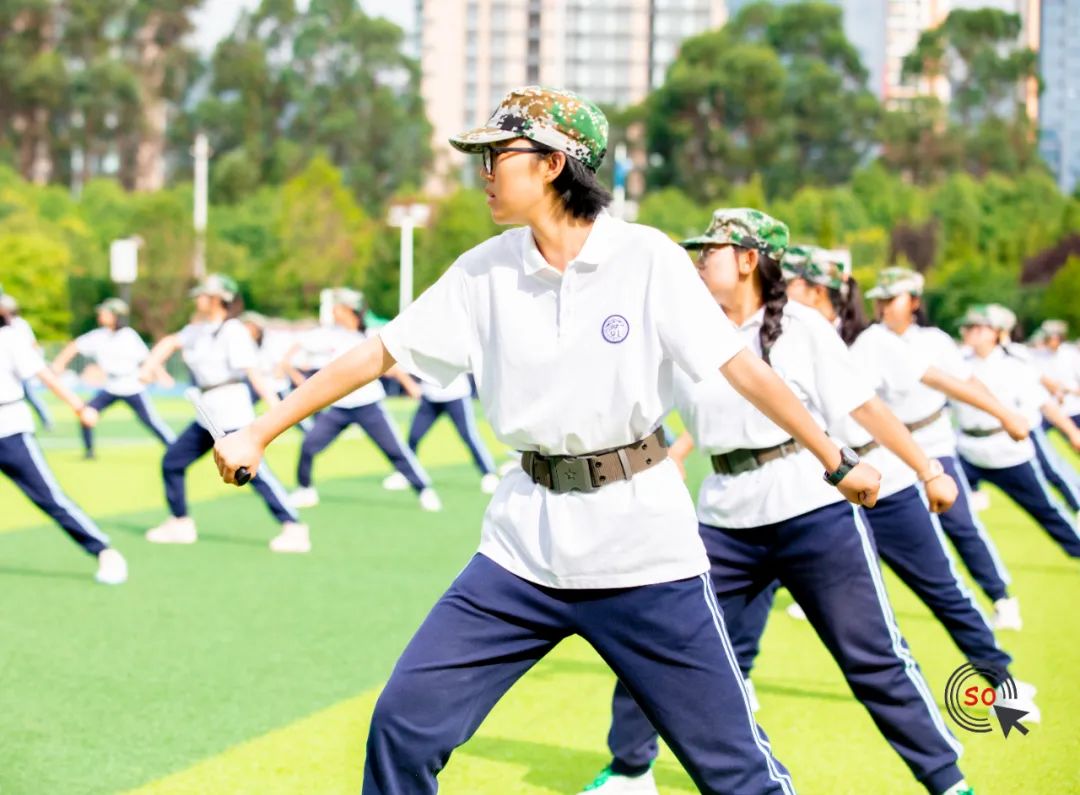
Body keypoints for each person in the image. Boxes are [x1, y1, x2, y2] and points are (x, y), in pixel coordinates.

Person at [213, 87, 884, 795]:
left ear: (555, 164)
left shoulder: (647, 258)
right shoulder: (484, 272)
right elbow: (378, 352)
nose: (485, 173)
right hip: (521, 550)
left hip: (642, 552)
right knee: (404, 723)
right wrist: (260, 428)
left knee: (734, 770)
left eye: (498, 155)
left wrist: (835, 457)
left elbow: (741, 367)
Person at [586, 216, 971, 795]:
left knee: (872, 658)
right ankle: (631, 769)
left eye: (708, 250)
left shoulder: (802, 327)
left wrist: (927, 468)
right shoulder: (686, 326)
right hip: (723, 521)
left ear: (746, 258)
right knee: (665, 639)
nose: (697, 261)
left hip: (811, 512)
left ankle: (947, 780)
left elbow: (862, 408)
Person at [867, 270, 1025, 627]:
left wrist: (1005, 414)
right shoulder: (870, 341)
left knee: (960, 524)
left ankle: (1000, 595)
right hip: (887, 452)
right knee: (860, 525)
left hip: (934, 444)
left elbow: (965, 383)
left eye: (893, 299)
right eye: (880, 300)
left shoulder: (935, 341)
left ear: (915, 302)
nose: (884, 307)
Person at [139, 274, 310, 553]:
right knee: (172, 462)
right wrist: (149, 365)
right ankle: (180, 523)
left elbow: (253, 373)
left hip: (231, 412)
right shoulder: (198, 329)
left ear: (220, 299)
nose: (198, 299)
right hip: (206, 414)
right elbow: (170, 342)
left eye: (204, 295)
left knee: (251, 472)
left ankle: (294, 526)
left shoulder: (233, 331)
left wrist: (277, 409)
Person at [0, 285, 126, 584]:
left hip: (10, 430)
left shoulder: (10, 339)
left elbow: (44, 375)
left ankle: (104, 551)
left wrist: (80, 407)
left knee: (49, 497)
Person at [283, 288, 439, 512]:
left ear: (349, 311)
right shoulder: (330, 335)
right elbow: (298, 346)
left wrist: (409, 385)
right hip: (339, 407)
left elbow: (390, 368)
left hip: (369, 406)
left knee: (395, 450)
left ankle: (424, 490)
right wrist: (291, 368)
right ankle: (305, 490)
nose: (334, 312)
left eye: (338, 308)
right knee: (309, 445)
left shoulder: (372, 335)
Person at [955, 304, 1080, 561]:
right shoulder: (957, 363)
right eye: (968, 326)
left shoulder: (1014, 364)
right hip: (967, 449)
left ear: (996, 332)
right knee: (951, 516)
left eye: (979, 327)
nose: (971, 332)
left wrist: (1072, 432)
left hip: (1008, 450)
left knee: (1046, 509)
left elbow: (1043, 403)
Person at [50, 298, 176, 459]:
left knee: (151, 421)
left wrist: (162, 376)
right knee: (86, 413)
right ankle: (89, 452)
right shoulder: (98, 336)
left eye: (105, 312)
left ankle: (173, 446)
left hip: (131, 385)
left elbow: (148, 359)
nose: (101, 315)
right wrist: (58, 364)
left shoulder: (129, 336)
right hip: (111, 386)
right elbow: (74, 346)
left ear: (116, 315)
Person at [381, 371, 501, 496]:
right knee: (413, 436)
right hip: (429, 397)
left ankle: (489, 474)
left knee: (468, 435)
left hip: (455, 395)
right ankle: (404, 474)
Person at [0, 292, 53, 431]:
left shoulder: (19, 325)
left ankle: (46, 419)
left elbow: (31, 345)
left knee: (29, 396)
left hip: (19, 368)